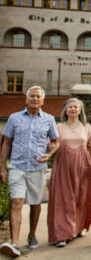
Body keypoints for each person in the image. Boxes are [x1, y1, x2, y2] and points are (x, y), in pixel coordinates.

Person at [0, 86, 59, 258]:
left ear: (42, 101)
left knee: (35, 204)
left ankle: (32, 234)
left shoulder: (48, 119)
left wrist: (50, 152)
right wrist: (2, 167)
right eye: (31, 96)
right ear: (26, 100)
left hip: (37, 168)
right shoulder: (14, 118)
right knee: (17, 202)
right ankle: (14, 243)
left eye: (37, 96)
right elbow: (6, 143)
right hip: (17, 167)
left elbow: (56, 141)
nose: (34, 99)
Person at [47, 98, 91, 247]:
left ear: (80, 110)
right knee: (62, 199)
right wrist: (49, 147)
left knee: (81, 198)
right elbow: (53, 145)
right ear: (65, 110)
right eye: (70, 107)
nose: (73, 109)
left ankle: (79, 227)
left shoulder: (86, 127)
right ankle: (62, 235)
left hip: (83, 166)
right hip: (63, 166)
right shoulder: (59, 127)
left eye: (76, 107)